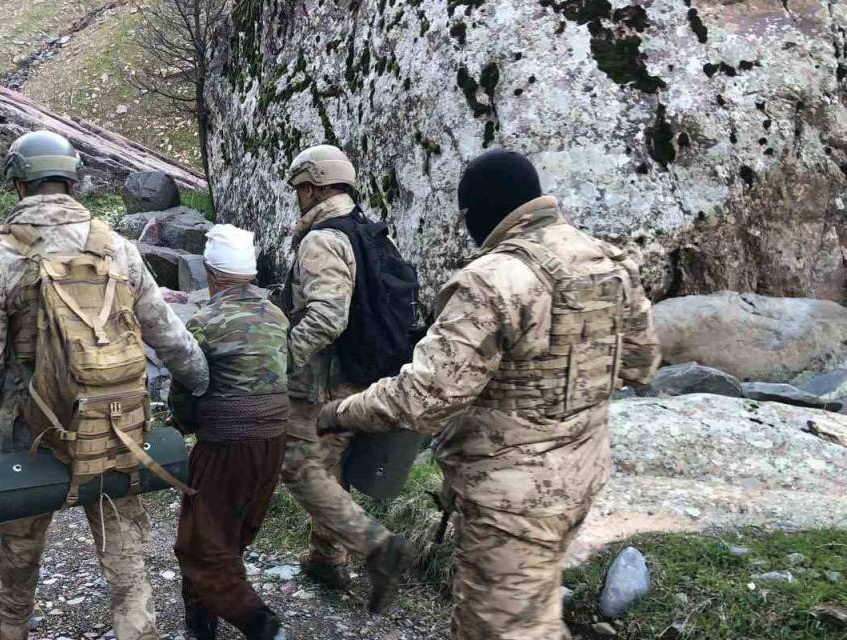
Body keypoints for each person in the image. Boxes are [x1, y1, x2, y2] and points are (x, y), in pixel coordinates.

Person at [318, 149, 661, 639]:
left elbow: (424, 397)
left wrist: (339, 411)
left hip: (511, 500)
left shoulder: (494, 281)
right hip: (581, 477)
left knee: (499, 629)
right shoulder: (610, 261)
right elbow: (642, 363)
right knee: (528, 610)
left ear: (478, 212)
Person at [0, 130, 210, 640]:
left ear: (18, 184)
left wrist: (17, 401)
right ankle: (137, 632)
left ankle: (10, 629)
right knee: (123, 541)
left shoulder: (0, 255)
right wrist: (200, 381)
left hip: (34, 423)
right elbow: (164, 330)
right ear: (73, 180)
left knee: (22, 537)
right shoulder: (114, 246)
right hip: (114, 419)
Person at [278, 144, 415, 613]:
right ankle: (323, 557)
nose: (298, 197)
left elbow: (326, 318)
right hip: (364, 374)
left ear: (311, 186)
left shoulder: (322, 239)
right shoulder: (369, 234)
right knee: (329, 463)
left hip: (323, 382)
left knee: (298, 466)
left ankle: (376, 545)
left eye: (299, 189)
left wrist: (282, 360)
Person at [170, 225, 291, 640]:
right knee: (229, 536)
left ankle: (262, 625)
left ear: (210, 271)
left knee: (199, 545)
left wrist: (185, 426)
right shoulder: (276, 316)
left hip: (226, 443)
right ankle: (200, 623)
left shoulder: (204, 322)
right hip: (274, 440)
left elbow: (184, 392)